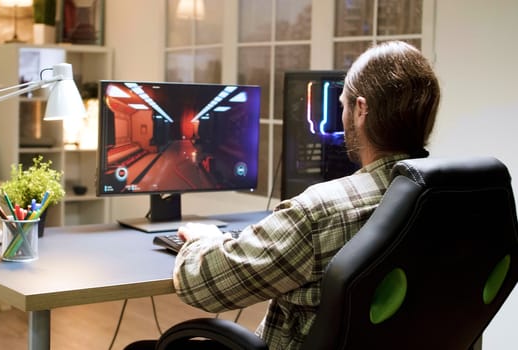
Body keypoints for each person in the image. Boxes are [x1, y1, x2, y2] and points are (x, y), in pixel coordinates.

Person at [125, 41, 441, 350]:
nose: (341, 116)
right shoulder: (452, 202)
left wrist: (201, 240)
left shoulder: (322, 211)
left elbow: (204, 284)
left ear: (361, 110)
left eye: (342, 105)